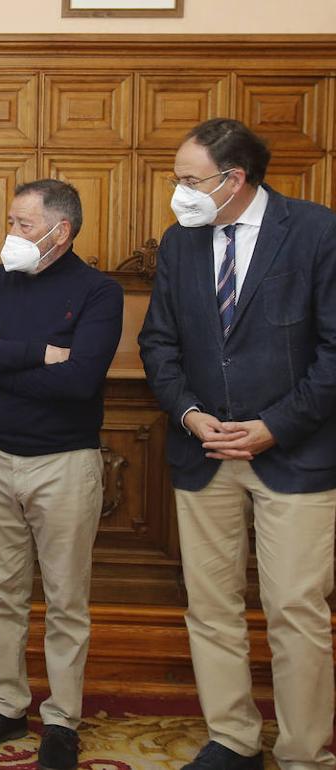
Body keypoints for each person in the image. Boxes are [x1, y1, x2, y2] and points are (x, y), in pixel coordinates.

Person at [139, 118, 336, 770]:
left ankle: (305, 754)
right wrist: (191, 414)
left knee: (295, 612)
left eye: (190, 180)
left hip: (294, 454)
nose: (180, 192)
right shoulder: (180, 243)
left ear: (235, 179)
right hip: (204, 454)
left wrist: (275, 425)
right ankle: (233, 739)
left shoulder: (315, 231)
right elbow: (159, 344)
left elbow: (333, 354)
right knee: (212, 606)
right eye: (177, 179)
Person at [0, 180, 123, 770]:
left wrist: (4, 360)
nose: (11, 235)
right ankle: (5, 704)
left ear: (60, 231)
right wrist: (42, 352)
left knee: (67, 598)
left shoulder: (98, 291)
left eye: (24, 225)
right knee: (2, 591)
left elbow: (79, 382)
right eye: (11, 221)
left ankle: (62, 719)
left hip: (64, 463)